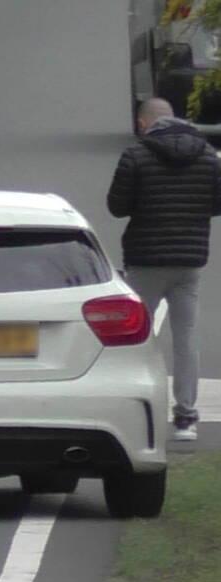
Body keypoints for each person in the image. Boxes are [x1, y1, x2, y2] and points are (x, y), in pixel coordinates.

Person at [107, 97, 221, 441]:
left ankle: (136, 411)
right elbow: (217, 204)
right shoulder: (208, 158)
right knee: (186, 338)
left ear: (144, 123)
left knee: (136, 338)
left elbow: (116, 206)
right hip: (189, 261)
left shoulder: (135, 156)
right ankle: (186, 417)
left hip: (145, 259)